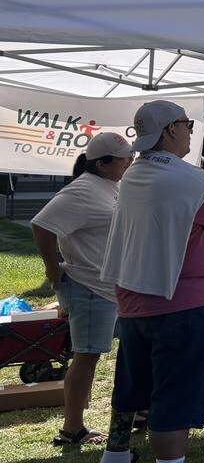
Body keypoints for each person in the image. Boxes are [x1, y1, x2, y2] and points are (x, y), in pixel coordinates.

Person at [98, 100, 204, 463]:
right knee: (174, 396)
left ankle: (114, 460)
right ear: (170, 130)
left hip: (134, 300)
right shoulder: (193, 180)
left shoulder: (133, 174)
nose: (190, 131)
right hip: (184, 304)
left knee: (131, 387)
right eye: (186, 124)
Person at [32, 132, 132, 447]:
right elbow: (41, 225)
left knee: (106, 354)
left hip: (108, 288)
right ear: (102, 163)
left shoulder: (109, 185)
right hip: (88, 286)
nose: (129, 163)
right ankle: (72, 429)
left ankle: (136, 413)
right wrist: (52, 267)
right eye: (124, 159)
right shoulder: (82, 190)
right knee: (86, 357)